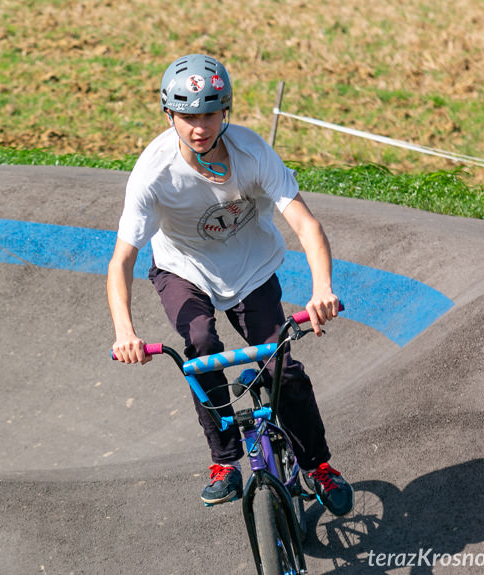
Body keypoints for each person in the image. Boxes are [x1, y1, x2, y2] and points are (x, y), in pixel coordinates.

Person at [107, 54, 353, 515]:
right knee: (200, 347)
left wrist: (322, 288)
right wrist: (125, 332)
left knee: (281, 363)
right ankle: (225, 463)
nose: (198, 127)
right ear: (169, 115)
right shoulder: (153, 173)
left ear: (226, 112)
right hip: (183, 268)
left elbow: (306, 225)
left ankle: (317, 466)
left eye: (208, 114)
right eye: (186, 116)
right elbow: (122, 259)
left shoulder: (253, 153)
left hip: (251, 269)